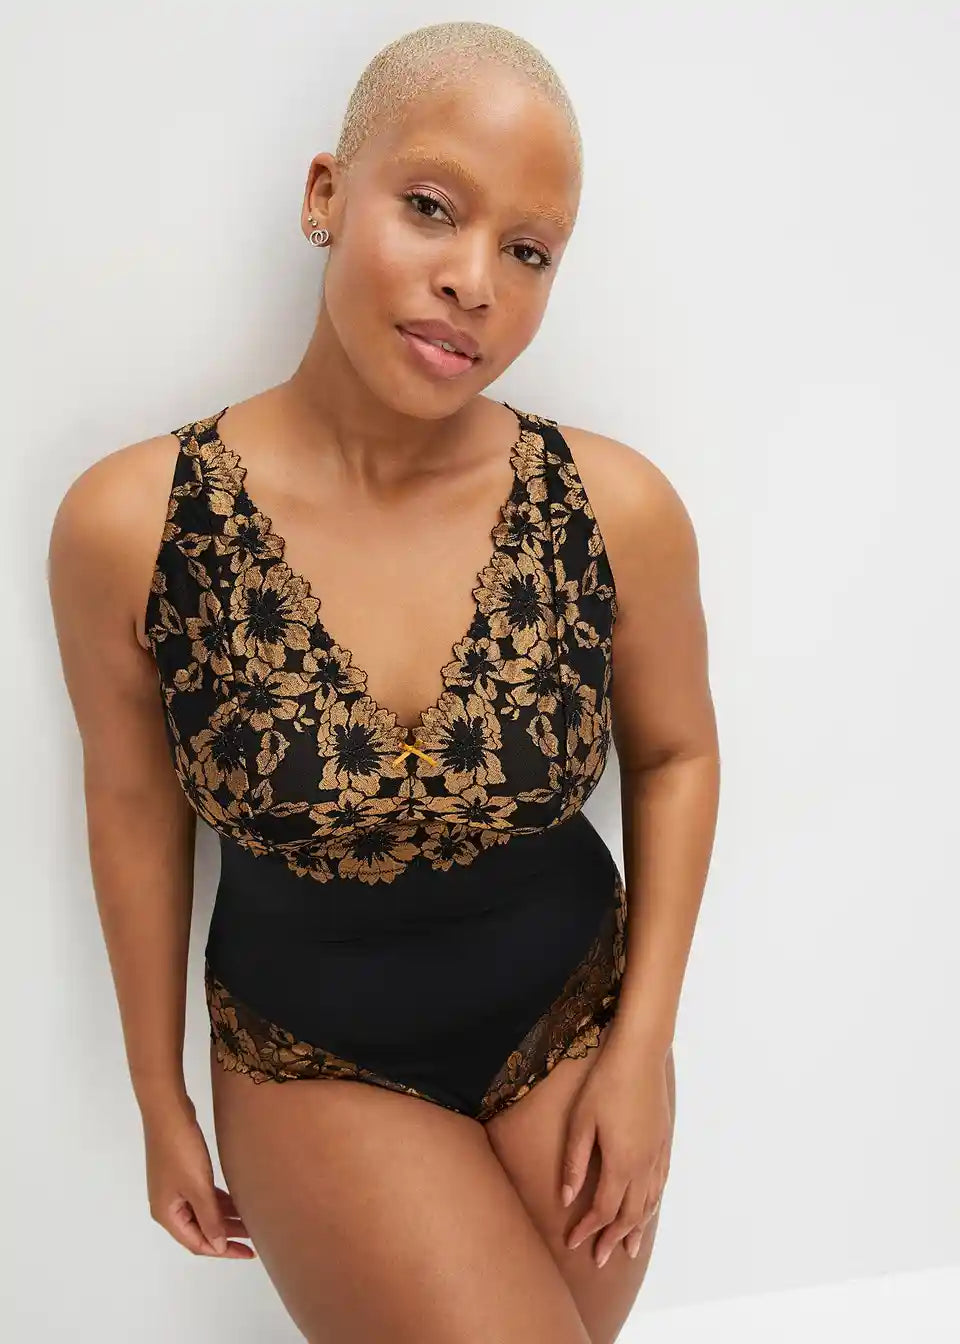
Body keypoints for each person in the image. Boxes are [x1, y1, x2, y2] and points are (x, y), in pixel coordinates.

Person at [47, 20, 719, 1344]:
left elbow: (677, 755)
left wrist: (642, 1047)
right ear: (324, 194)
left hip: (576, 1029)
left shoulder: (616, 508)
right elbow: (131, 808)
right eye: (431, 208)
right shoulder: (132, 525)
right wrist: (157, 1097)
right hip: (314, 1057)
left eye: (529, 252)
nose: (474, 280)